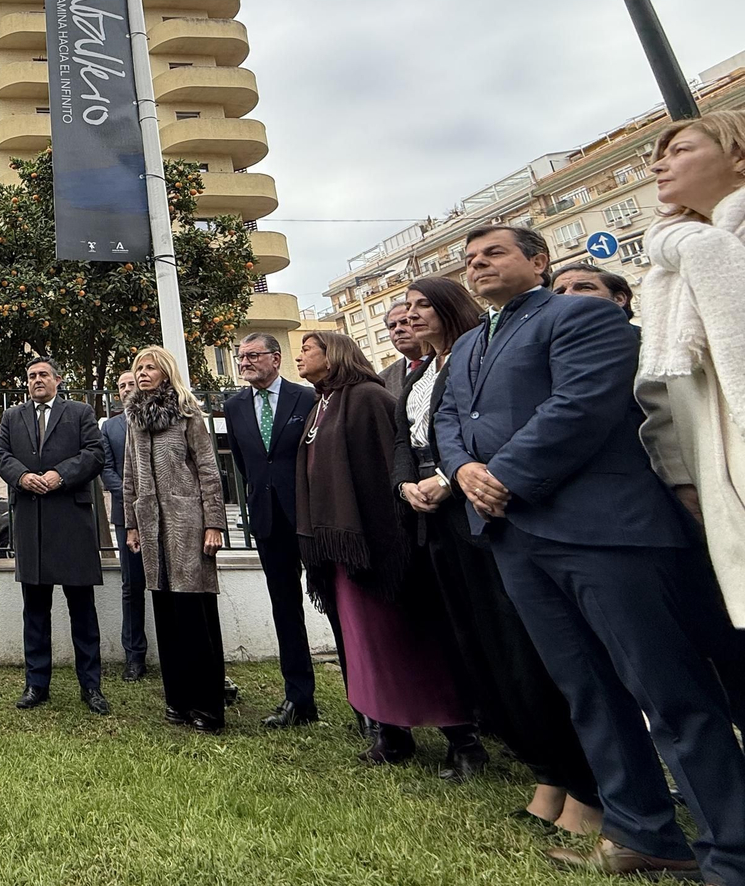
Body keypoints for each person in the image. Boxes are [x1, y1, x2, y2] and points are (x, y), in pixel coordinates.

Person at [436, 224, 745, 882]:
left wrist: (504, 476)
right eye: (469, 260)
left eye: (493, 252)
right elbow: (449, 421)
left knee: (668, 692)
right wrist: (463, 473)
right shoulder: (467, 346)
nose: (478, 264)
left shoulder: (582, 315)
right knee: (588, 692)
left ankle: (733, 848)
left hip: (603, 534)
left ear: (538, 260)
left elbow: (583, 405)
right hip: (516, 540)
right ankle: (643, 833)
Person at [394, 277, 600, 828]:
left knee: (524, 647)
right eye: (405, 308)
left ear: (447, 307)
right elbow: (413, 437)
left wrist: (449, 478)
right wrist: (406, 484)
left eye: (420, 306)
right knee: (482, 646)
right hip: (437, 524)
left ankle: (581, 781)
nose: (408, 316)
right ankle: (547, 770)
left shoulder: (475, 357)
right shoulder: (419, 373)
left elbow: (480, 432)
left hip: (484, 511)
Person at [293, 331, 474, 767]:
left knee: (407, 639)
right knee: (365, 646)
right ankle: (391, 735)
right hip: (339, 551)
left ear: (333, 356)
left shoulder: (369, 397)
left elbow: (386, 471)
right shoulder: (322, 403)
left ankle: (462, 738)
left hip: (376, 549)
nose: (298, 357)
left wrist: (381, 540)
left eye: (307, 350)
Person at [636, 112, 745, 627]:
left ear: (738, 155)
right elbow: (659, 388)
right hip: (719, 469)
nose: (660, 165)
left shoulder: (716, 251)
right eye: (660, 154)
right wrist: (681, 477)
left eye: (681, 151)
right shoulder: (670, 268)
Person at [224, 333, 333, 729]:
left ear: (275, 358)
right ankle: (299, 700)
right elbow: (244, 462)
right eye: (240, 357)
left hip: (310, 517)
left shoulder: (307, 398)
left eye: (253, 355)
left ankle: (367, 706)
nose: (245, 362)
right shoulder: (233, 406)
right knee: (285, 609)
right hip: (268, 521)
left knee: (336, 604)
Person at [0, 356, 109, 715]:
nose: (36, 380)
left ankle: (91, 686)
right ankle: (36, 685)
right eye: (31, 376)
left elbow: (95, 454)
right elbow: (0, 454)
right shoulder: (13, 416)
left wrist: (60, 474)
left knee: (82, 611)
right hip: (32, 521)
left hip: (71, 522)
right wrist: (22, 476)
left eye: (43, 374)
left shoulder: (80, 412)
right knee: (36, 612)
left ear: (58, 380)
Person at [121, 346, 226, 732]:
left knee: (195, 616)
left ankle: (210, 707)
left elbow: (209, 472)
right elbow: (130, 477)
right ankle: (177, 701)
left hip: (188, 524)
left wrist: (213, 523)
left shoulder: (187, 412)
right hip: (151, 529)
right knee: (165, 613)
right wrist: (132, 524)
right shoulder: (133, 419)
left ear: (166, 373)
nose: (144, 373)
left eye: (150, 367)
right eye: (139, 368)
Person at [99, 365, 147, 681]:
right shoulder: (110, 427)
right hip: (125, 515)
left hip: (163, 514)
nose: (126, 388)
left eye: (131, 383)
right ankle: (134, 657)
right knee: (132, 585)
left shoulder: (159, 418)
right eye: (120, 385)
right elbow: (106, 469)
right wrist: (132, 497)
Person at [550, 263, 635, 320]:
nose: (567, 294)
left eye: (584, 288)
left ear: (618, 299)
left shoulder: (644, 341)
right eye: (559, 292)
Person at [378, 303, 427, 396]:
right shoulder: (383, 379)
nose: (397, 329)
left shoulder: (448, 362)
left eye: (405, 322)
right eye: (392, 326)